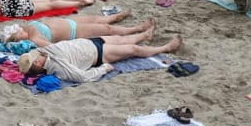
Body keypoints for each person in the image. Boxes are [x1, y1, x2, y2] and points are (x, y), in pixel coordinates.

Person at [16, 33, 182, 83]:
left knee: (123, 39)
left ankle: (145, 34)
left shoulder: (43, 52)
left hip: (89, 42)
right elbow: (81, 77)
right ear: (37, 62)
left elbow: (36, 42)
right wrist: (103, 68)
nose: (35, 53)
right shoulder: (58, 68)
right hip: (98, 55)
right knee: (133, 49)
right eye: (34, 57)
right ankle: (166, 48)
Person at [0, 15, 150, 47]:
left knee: (97, 19)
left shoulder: (27, 28)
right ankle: (136, 29)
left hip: (68, 21)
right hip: (74, 31)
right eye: (17, 35)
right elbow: (53, 47)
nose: (19, 32)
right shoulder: (34, 38)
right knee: (106, 29)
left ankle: (116, 16)